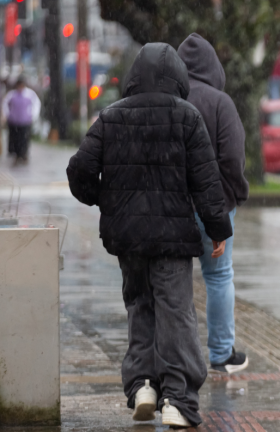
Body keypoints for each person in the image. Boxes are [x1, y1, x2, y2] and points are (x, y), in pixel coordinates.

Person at [66, 43, 232, 428]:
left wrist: (107, 199)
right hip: (172, 237)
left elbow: (79, 172)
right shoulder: (187, 117)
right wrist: (218, 228)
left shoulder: (110, 117)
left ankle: (142, 384)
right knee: (176, 314)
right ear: (178, 77)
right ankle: (178, 398)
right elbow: (206, 182)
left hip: (128, 238)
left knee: (139, 306)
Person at [178, 32, 250, 375]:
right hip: (215, 205)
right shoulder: (221, 102)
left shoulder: (169, 98)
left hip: (174, 206)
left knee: (174, 281)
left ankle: (178, 355)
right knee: (219, 277)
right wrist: (235, 193)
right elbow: (232, 158)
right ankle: (221, 354)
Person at [2, 77, 41, 165]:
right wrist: (7, 114)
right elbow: (5, 104)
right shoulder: (12, 94)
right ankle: (16, 155)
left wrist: (33, 115)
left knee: (24, 139)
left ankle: (23, 154)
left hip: (25, 121)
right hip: (14, 121)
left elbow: (36, 104)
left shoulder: (30, 94)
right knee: (15, 139)